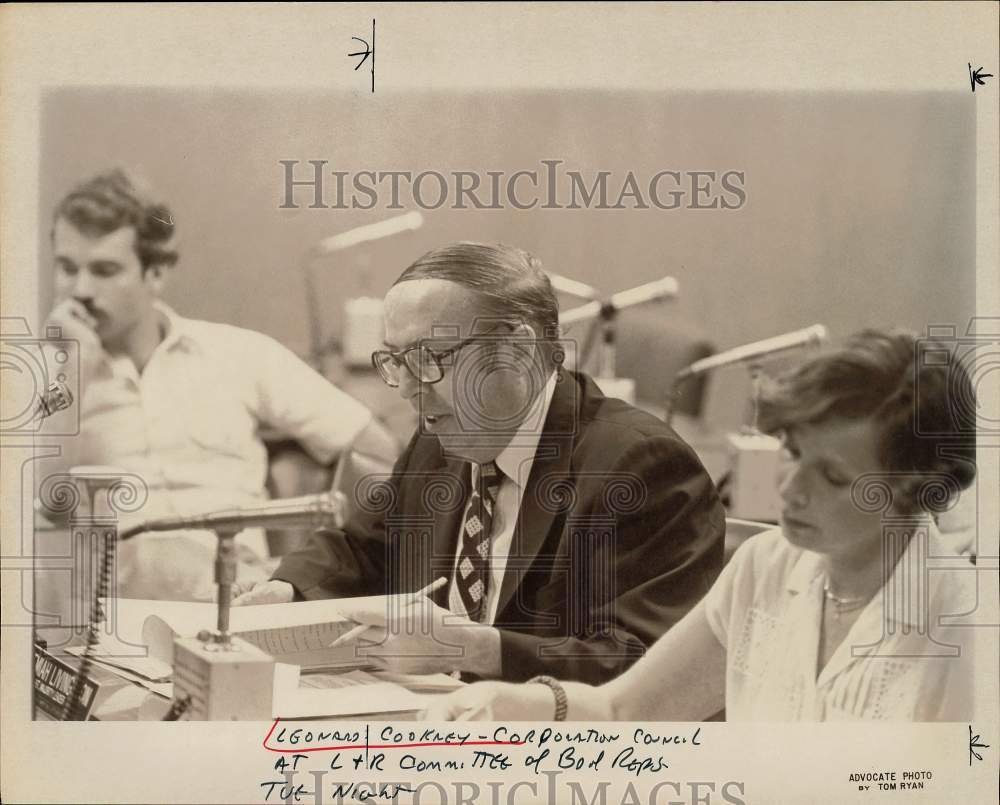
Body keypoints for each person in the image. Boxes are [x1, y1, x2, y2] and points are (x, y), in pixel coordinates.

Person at [426, 329, 983, 721]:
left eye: (833, 476)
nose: (789, 488)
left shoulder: (969, 628)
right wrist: (514, 704)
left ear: (916, 489)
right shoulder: (765, 566)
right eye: (791, 451)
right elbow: (625, 709)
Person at [235, 241, 726, 684]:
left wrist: (474, 648)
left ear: (518, 346)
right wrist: (285, 589)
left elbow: (644, 663)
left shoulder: (639, 466)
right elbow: (364, 548)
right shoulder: (441, 437)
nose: (407, 387)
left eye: (429, 357)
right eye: (396, 361)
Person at [37, 168, 387, 601]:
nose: (81, 289)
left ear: (156, 273)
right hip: (109, 605)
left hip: (237, 588)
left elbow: (379, 453)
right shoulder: (37, 379)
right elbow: (42, 507)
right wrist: (67, 374)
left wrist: (319, 567)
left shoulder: (238, 354)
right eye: (67, 268)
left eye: (105, 270)